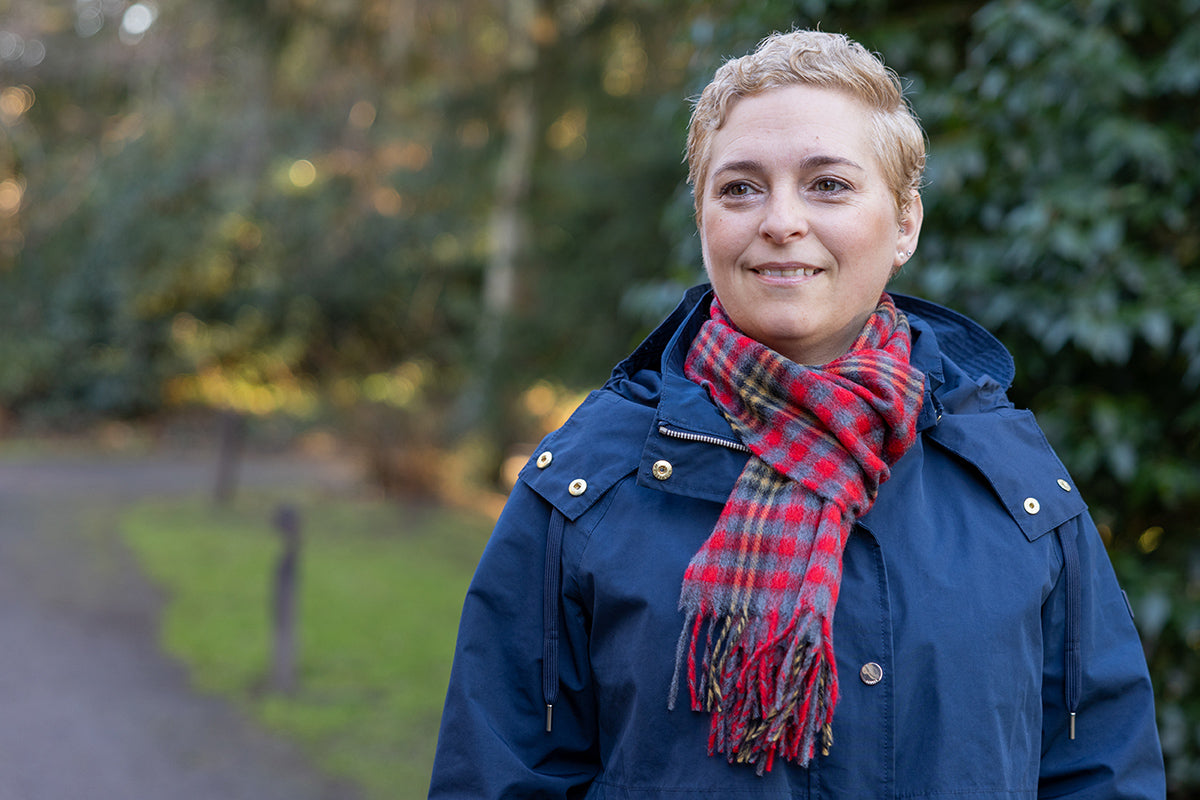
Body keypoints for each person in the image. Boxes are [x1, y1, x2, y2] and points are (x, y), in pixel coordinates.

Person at [428, 29, 1165, 798]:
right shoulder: (587, 483)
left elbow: (1101, 768)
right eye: (740, 187)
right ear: (703, 217)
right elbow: (497, 775)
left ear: (905, 223)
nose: (780, 220)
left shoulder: (1015, 484)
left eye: (828, 185)